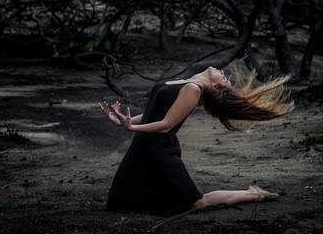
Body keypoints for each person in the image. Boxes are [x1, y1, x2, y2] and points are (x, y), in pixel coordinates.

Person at [98, 66, 294, 216]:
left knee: (196, 202)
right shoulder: (185, 82)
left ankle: (253, 194)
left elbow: (166, 124)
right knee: (119, 201)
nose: (222, 71)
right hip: (142, 147)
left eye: (224, 78)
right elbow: (154, 114)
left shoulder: (193, 89)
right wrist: (123, 121)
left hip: (160, 151)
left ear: (214, 86)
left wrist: (132, 128)